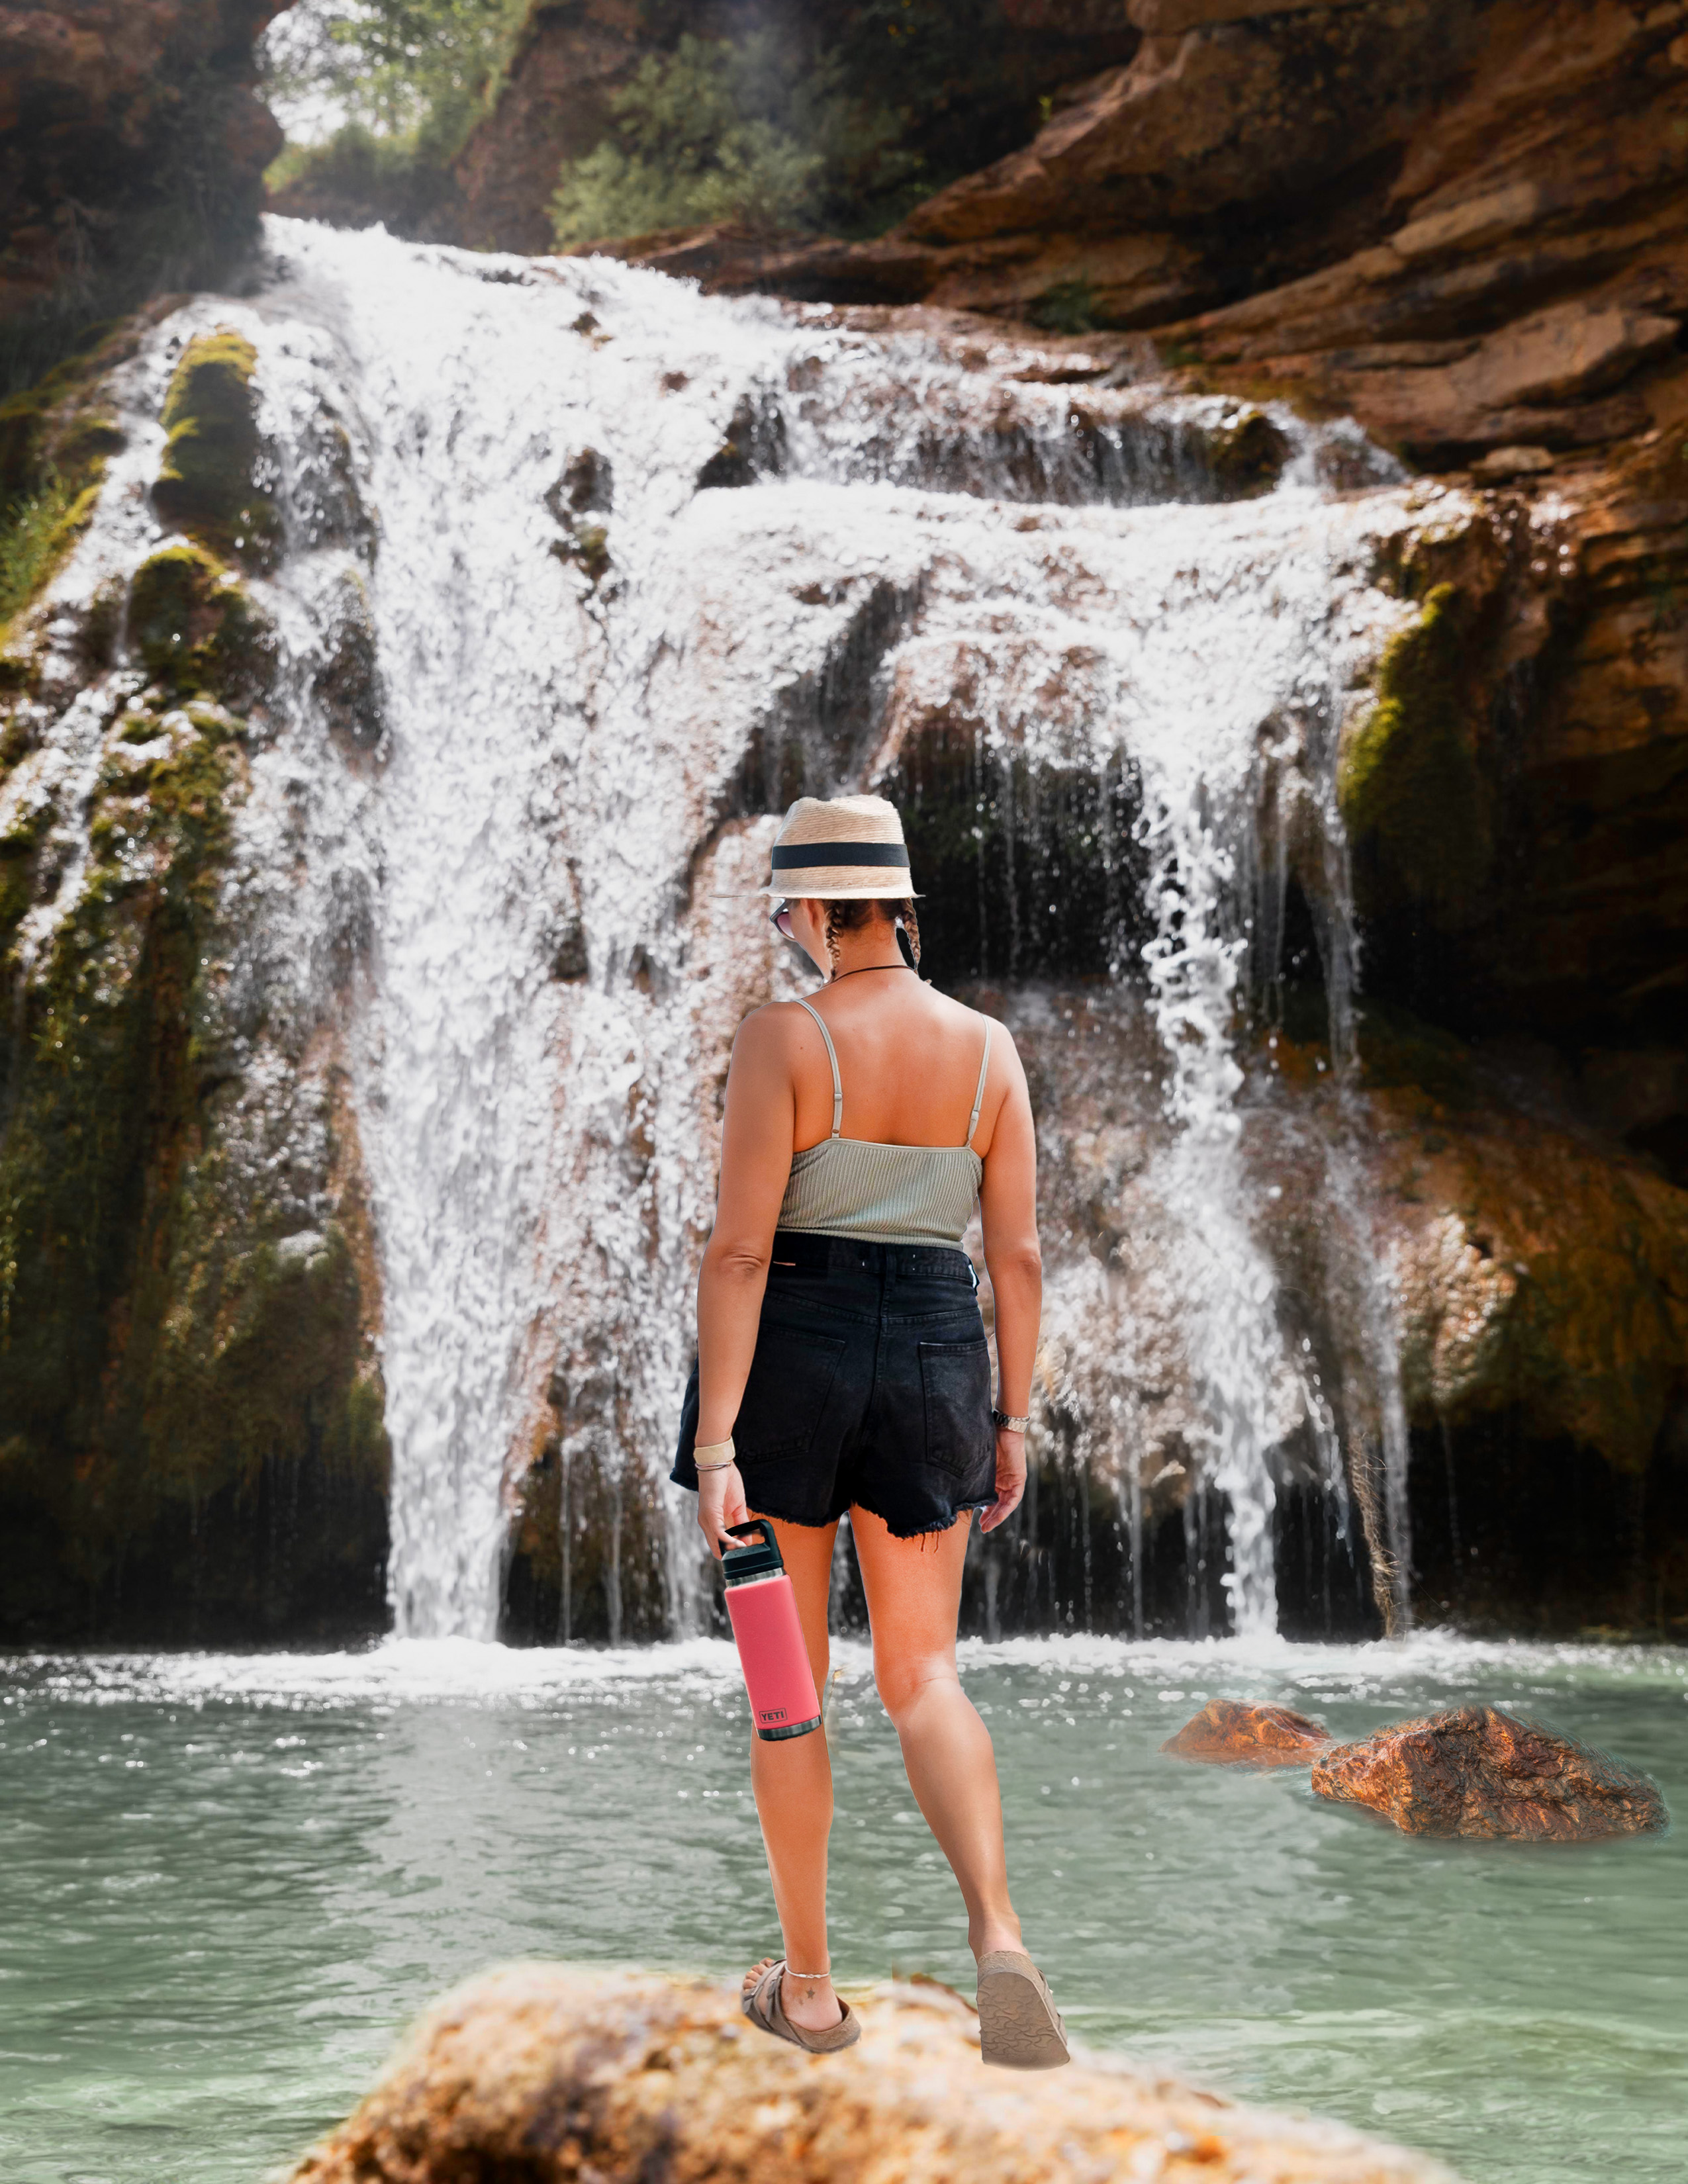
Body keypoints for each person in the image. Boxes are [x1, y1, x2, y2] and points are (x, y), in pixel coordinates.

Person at [671, 792, 1067, 2070]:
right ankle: (1000, 1941)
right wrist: (1012, 1416)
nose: (786, 928)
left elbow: (738, 1253)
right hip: (941, 1345)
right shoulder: (988, 1050)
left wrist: (717, 1444)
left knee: (792, 1696)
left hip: (793, 1341)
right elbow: (1016, 1253)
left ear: (823, 908)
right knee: (925, 1674)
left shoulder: (785, 1038)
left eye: (788, 907)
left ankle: (811, 1992)